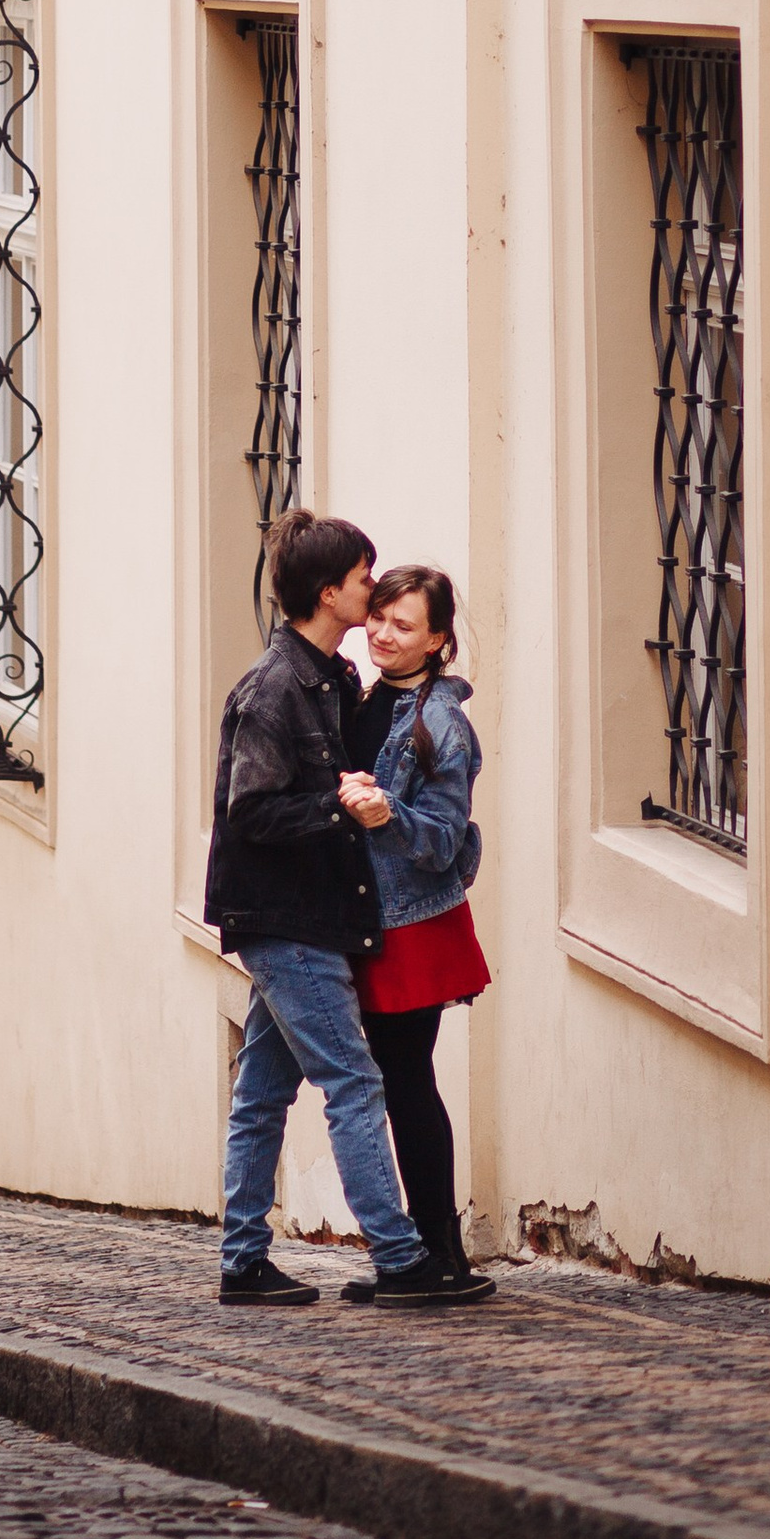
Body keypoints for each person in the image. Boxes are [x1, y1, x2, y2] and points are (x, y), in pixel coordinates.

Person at [204, 506, 490, 1309]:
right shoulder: (275, 687)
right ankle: (402, 1258)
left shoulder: (334, 681)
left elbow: (437, 825)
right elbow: (252, 811)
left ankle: (243, 1260)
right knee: (357, 1082)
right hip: (286, 919)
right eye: (367, 582)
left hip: (318, 916)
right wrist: (344, 807)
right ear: (331, 592)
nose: (375, 599)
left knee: (262, 1092)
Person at [347, 563, 493, 1294]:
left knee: (405, 1081)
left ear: (438, 640)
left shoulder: (441, 723)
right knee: (392, 1080)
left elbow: (441, 841)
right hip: (374, 919)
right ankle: (420, 1253)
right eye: (378, 616)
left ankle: (440, 1254)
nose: (383, 633)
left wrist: (386, 813)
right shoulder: (366, 696)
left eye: (404, 625)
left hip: (414, 925)